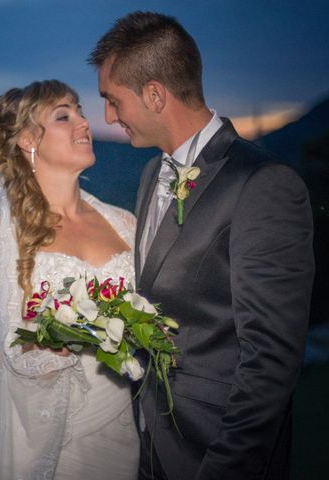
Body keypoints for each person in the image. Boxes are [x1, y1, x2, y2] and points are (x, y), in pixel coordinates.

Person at [88, 11, 315, 480]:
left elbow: (270, 362)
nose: (108, 116)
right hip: (152, 448)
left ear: (154, 94)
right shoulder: (153, 175)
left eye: (113, 100)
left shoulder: (263, 184)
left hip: (216, 455)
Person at [0, 80, 140, 479]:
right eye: (63, 116)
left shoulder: (124, 224)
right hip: (33, 428)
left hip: (118, 423)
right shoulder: (0, 236)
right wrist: (30, 357)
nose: (84, 124)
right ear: (26, 141)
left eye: (80, 112)